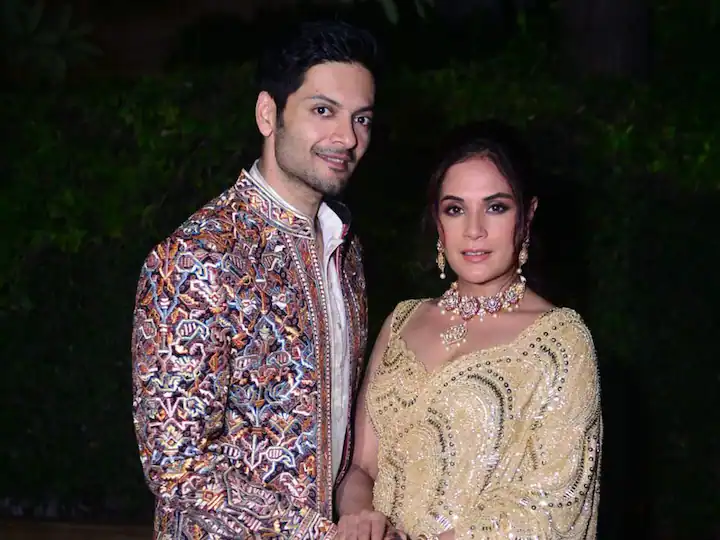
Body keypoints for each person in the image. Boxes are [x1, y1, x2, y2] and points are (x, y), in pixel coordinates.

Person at [130, 20, 380, 539]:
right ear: (269, 114)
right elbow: (176, 465)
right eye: (323, 111)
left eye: (361, 118)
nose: (347, 138)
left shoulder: (346, 250)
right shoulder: (197, 257)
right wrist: (316, 534)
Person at [336, 124, 603, 540]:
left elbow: (551, 504)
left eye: (496, 207)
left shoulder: (560, 342)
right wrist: (361, 520)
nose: (474, 230)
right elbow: (360, 467)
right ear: (437, 221)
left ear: (528, 215)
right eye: (455, 209)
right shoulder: (401, 321)